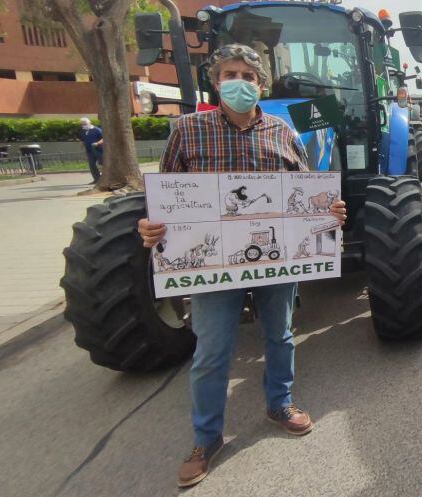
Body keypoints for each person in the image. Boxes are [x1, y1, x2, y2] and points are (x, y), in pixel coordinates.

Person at [136, 44, 348, 489]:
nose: (239, 82)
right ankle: (207, 437)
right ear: (216, 82)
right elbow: (165, 201)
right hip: (212, 265)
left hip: (275, 261)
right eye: (230, 74)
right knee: (212, 351)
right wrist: (152, 228)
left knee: (281, 335)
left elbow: (305, 194)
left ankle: (279, 403)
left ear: (261, 84)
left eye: (248, 76)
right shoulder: (187, 132)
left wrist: (329, 213)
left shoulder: (283, 131)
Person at [76, 117, 103, 184]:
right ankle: (97, 179)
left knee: (103, 164)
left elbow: (103, 138)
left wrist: (97, 143)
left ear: (89, 123)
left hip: (99, 150)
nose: (84, 125)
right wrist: (81, 148)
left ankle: (105, 178)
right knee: (92, 165)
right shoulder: (82, 131)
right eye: (82, 124)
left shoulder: (97, 130)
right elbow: (82, 140)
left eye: (85, 124)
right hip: (89, 151)